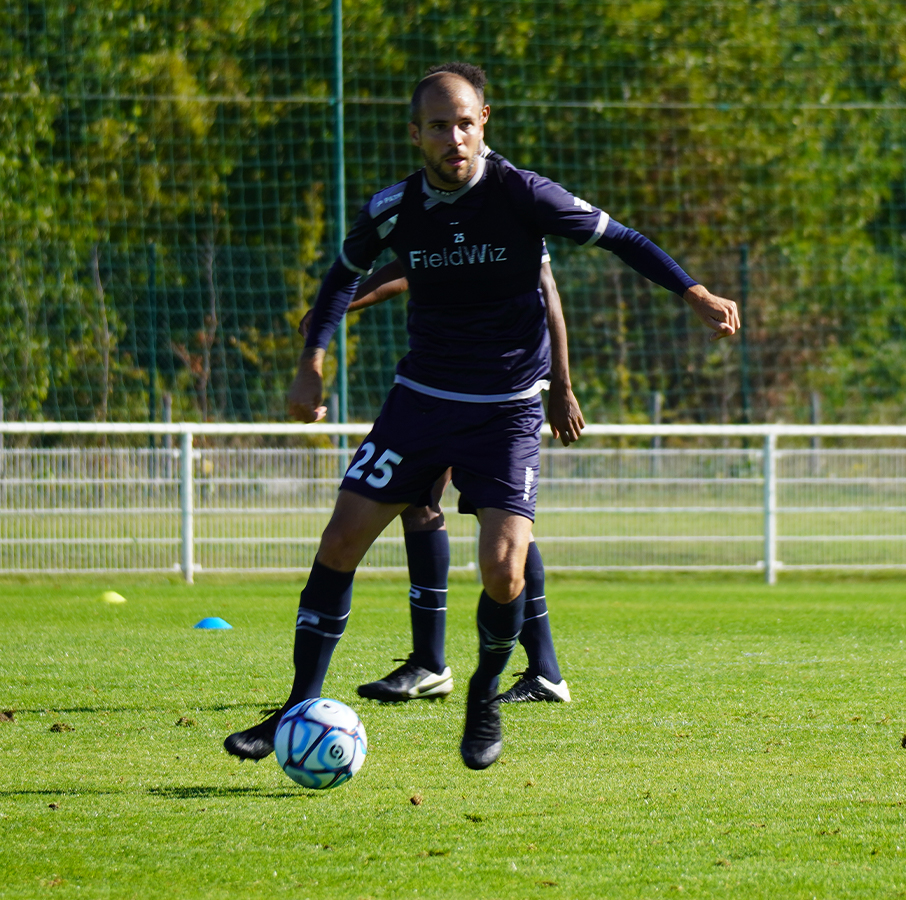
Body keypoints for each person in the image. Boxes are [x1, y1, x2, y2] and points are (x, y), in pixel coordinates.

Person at [225, 61, 738, 771]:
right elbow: (343, 274)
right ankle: (294, 706)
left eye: (464, 122)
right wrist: (311, 361)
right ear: (417, 135)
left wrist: (695, 292)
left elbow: (622, 239)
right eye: (438, 126)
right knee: (341, 540)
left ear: (484, 122)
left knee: (504, 572)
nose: (453, 137)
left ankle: (484, 692)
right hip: (421, 402)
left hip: (504, 414)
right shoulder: (395, 206)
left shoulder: (524, 194)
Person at [299, 252, 578, 705]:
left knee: (501, 529)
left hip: (492, 391)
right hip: (447, 384)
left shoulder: (505, 202)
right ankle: (442, 663)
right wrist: (337, 306)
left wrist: (560, 384)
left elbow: (545, 285)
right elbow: (410, 267)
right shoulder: (435, 208)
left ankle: (484, 664)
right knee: (430, 501)